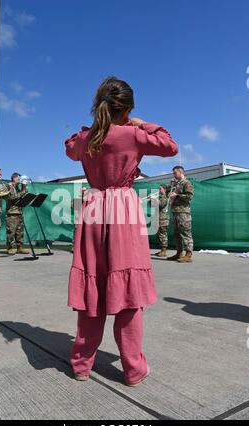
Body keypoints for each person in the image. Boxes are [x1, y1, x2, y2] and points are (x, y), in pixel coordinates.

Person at [65, 76, 178, 386]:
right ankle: (132, 368)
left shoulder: (85, 139)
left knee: (93, 289)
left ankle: (81, 364)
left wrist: (92, 128)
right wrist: (143, 124)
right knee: (128, 294)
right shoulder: (133, 134)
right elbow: (170, 145)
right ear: (127, 108)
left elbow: (69, 149)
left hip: (93, 208)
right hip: (123, 210)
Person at [166, 166, 194, 263]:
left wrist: (177, 195)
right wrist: (171, 185)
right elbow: (167, 193)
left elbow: (189, 196)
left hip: (183, 212)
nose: (173, 175)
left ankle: (188, 254)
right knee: (176, 234)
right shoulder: (176, 184)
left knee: (185, 233)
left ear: (180, 172)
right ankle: (179, 253)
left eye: (174, 173)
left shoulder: (187, 183)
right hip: (175, 211)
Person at [6, 173, 29, 255]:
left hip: (19, 212)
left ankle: (20, 247)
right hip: (11, 212)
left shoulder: (17, 187)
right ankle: (10, 248)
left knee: (20, 232)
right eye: (19, 179)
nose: (20, 181)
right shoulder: (9, 186)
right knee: (11, 232)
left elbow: (22, 197)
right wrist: (22, 192)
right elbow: (12, 197)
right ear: (14, 178)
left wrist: (24, 188)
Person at [151, 185, 170, 257]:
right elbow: (154, 206)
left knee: (163, 234)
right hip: (159, 218)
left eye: (160, 189)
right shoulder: (161, 197)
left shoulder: (166, 197)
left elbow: (161, 205)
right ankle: (162, 249)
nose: (159, 190)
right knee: (159, 235)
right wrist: (152, 200)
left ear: (164, 189)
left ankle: (164, 250)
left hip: (163, 219)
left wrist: (155, 199)